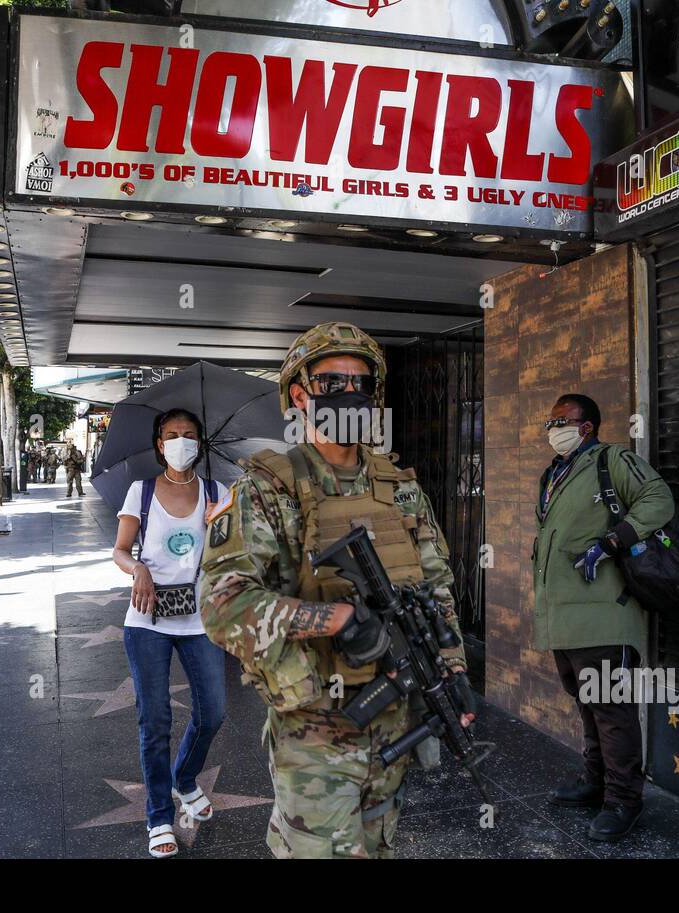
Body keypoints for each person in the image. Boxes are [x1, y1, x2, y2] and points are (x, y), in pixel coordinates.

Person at [199, 321, 475, 859]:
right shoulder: (266, 487)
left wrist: (453, 671)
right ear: (299, 395)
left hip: (395, 714)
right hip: (316, 729)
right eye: (331, 383)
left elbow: (437, 588)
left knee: (379, 841)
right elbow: (222, 605)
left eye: (362, 383)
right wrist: (336, 621)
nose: (350, 393)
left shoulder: (399, 487)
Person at [534, 393, 675, 842]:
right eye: (550, 420)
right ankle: (595, 783)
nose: (552, 427)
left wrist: (612, 542)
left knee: (612, 710)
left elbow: (658, 499)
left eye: (562, 419)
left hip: (604, 615)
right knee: (587, 705)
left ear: (587, 426)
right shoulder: (554, 473)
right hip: (564, 615)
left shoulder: (612, 460)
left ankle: (623, 801)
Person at [112, 409, 228, 858]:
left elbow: (229, 553)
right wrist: (137, 567)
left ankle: (184, 777)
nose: (181, 442)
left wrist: (223, 524)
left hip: (199, 619)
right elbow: (120, 551)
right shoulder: (140, 493)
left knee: (214, 711)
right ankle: (159, 815)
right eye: (172, 436)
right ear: (160, 444)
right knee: (155, 719)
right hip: (147, 621)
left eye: (190, 435)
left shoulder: (217, 494)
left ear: (201, 444)